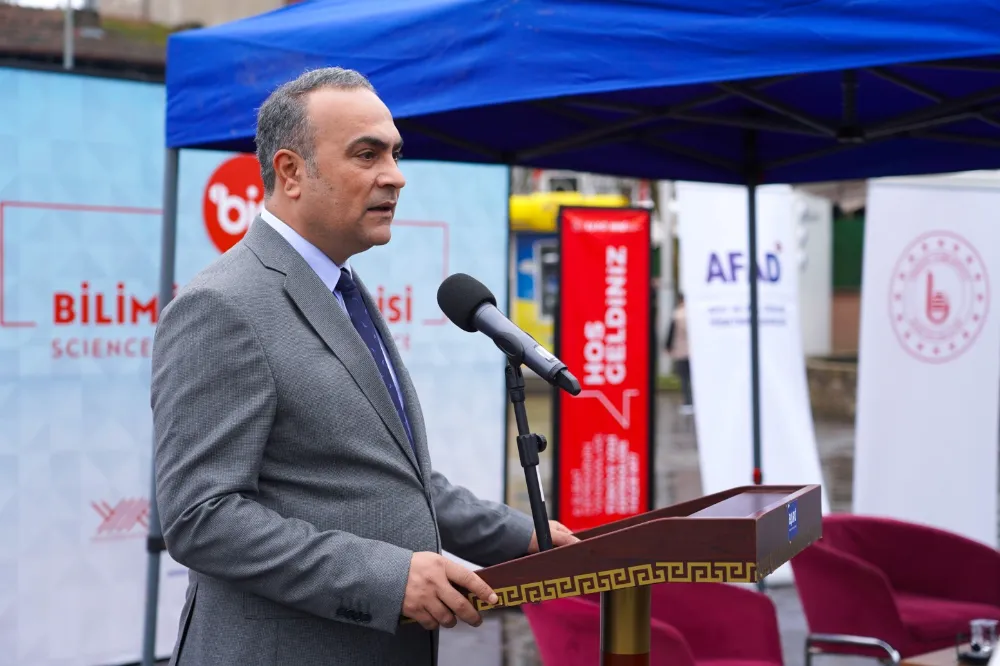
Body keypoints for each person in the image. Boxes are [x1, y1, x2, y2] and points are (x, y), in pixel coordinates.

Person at [150, 67, 577, 666]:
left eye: (396, 154)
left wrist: (522, 537)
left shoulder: (341, 290)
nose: (395, 176)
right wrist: (387, 578)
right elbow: (201, 518)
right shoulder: (222, 306)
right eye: (367, 154)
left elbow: (394, 482)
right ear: (291, 172)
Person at [665, 293, 693, 412]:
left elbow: (671, 332)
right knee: (693, 377)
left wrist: (668, 346)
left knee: (684, 378)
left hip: (681, 350)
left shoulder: (677, 314)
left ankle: (687, 402)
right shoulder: (694, 314)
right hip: (693, 352)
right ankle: (694, 401)